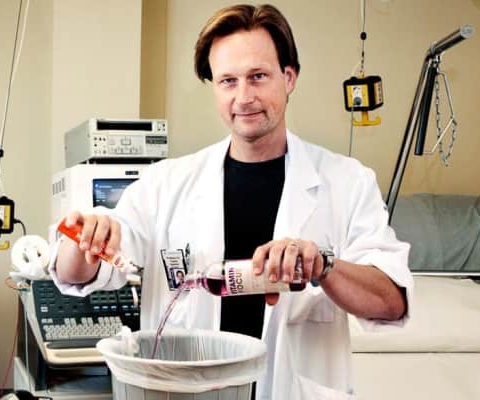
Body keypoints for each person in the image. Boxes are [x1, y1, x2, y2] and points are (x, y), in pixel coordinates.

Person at [50, 4, 413, 399]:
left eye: (258, 76)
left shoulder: (347, 182)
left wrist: (322, 265)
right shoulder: (164, 185)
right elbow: (75, 275)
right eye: (228, 81)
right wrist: (83, 239)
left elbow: (391, 301)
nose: (244, 97)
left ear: (288, 77)